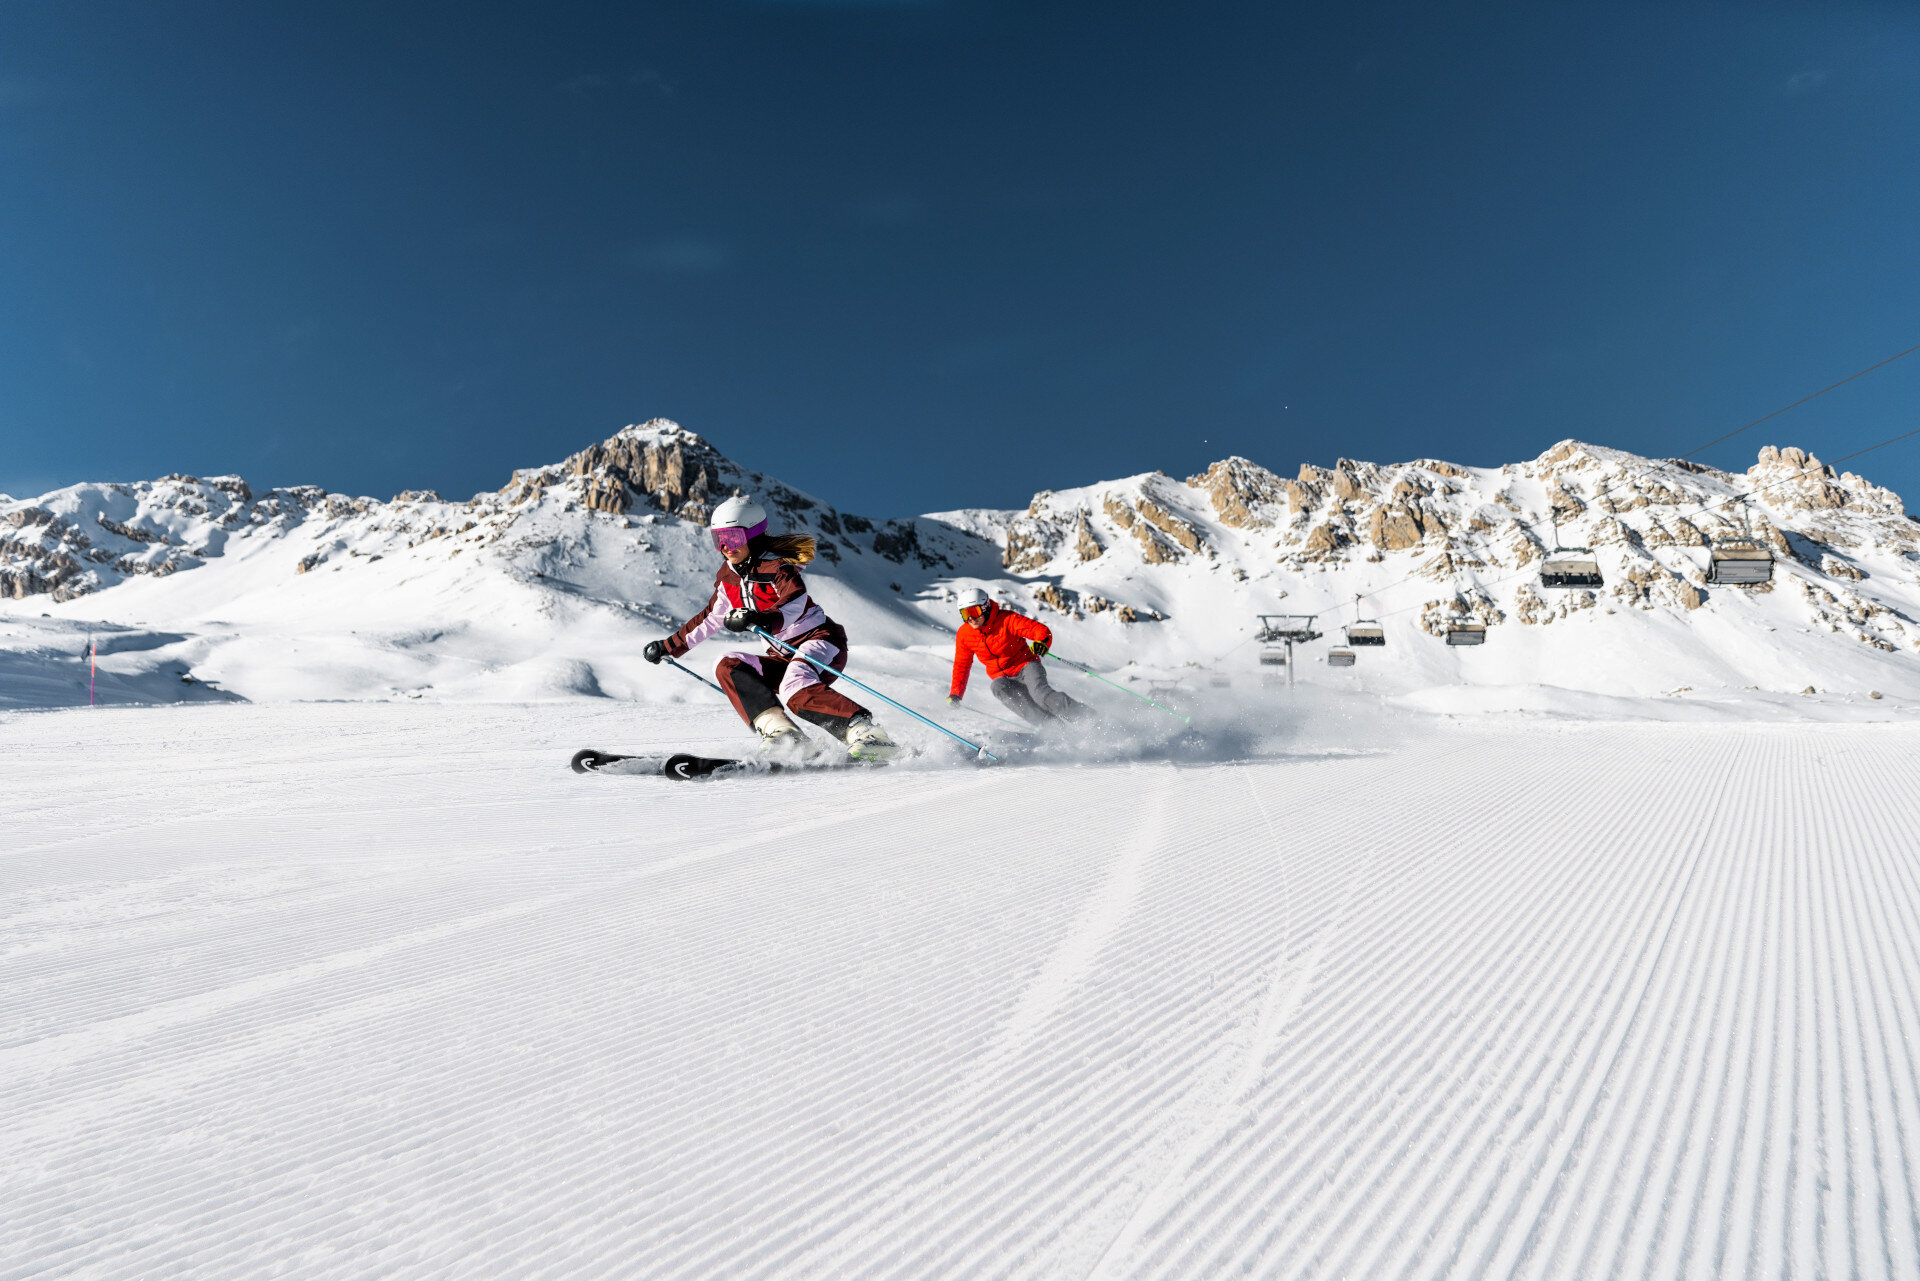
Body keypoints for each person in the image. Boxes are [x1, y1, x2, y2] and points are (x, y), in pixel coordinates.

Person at [643, 496, 897, 762]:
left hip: (819, 640)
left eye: (733, 537)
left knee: (795, 686)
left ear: (753, 536)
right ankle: (785, 735)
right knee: (727, 663)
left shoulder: (776, 566)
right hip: (781, 655)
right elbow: (710, 617)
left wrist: (764, 620)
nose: (726, 547)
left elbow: (795, 600)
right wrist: (668, 646)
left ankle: (868, 735)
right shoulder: (728, 576)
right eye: (719, 539)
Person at [946, 587, 1088, 728]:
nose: (971, 618)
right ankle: (1054, 728)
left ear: (985, 607)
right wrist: (955, 694)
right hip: (1004, 678)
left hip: (1026, 666)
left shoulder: (1006, 620)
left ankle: (1087, 718)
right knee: (998, 688)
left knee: (1040, 696)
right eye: (965, 614)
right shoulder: (965, 634)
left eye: (973, 612)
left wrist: (1042, 642)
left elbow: (1038, 630)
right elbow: (961, 665)